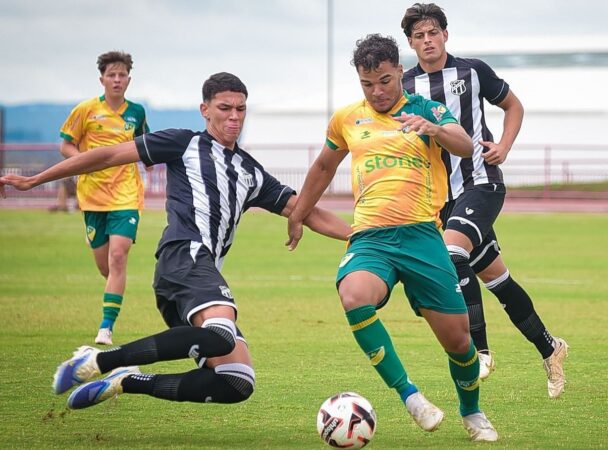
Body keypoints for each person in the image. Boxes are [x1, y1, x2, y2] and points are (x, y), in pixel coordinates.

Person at [0, 72, 351, 410]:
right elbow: (107, 156)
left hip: (194, 278)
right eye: (224, 108)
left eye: (240, 109)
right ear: (205, 110)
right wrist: (36, 180)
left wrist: (359, 237)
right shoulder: (184, 142)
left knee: (237, 380)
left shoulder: (250, 171)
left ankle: (127, 381)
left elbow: (306, 210)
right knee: (222, 334)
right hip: (184, 257)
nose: (234, 116)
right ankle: (96, 359)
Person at [286, 34, 498, 442]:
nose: (377, 91)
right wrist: (298, 215)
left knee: (459, 342)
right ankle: (410, 396)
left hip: (422, 236)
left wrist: (433, 128)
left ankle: (471, 412)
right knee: (353, 295)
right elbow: (323, 168)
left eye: (384, 80)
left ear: (400, 71)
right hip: (371, 238)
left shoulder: (426, 108)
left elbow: (465, 144)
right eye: (368, 84)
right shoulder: (347, 118)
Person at [400, 2, 568, 397]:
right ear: (411, 42)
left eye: (433, 32)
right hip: (440, 199)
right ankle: (551, 347)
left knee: (452, 253)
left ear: (445, 34)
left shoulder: (473, 71)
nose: (428, 41)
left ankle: (480, 350)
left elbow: (513, 105)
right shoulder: (405, 87)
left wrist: (504, 146)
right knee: (497, 279)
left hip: (481, 183)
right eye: (419, 36)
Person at [59, 51, 150, 345]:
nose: (117, 80)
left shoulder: (137, 112)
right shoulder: (85, 110)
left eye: (122, 75)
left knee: (119, 257)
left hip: (126, 195)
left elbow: (146, 146)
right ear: (102, 79)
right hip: (93, 197)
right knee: (105, 267)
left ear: (129, 79)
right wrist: (85, 161)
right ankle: (99, 245)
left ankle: (105, 328)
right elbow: (66, 146)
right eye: (111, 75)